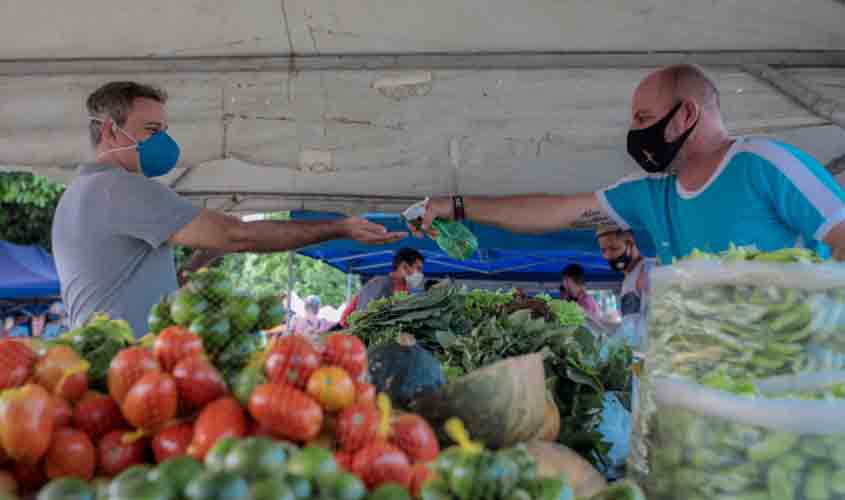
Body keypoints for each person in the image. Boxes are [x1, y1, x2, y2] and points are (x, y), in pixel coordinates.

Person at [53, 82, 406, 338]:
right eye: (151, 130)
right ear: (110, 132)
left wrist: (193, 268)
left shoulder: (81, 192)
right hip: (125, 368)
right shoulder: (123, 189)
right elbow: (238, 235)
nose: (162, 141)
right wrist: (339, 227)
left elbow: (130, 272)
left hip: (103, 358)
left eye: (164, 130)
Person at [413, 64, 845, 263]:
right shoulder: (649, 195)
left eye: (644, 119)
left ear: (687, 115)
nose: (635, 134)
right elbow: (554, 211)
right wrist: (459, 206)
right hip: (706, 402)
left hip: (789, 401)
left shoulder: (763, 164)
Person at [596, 223, 656, 347]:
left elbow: (653, 324)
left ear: (631, 243)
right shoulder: (628, 279)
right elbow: (630, 323)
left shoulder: (649, 270)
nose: (608, 256)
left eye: (614, 248)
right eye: (603, 250)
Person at [338, 248, 425, 327]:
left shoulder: (406, 290)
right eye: (418, 268)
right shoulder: (379, 283)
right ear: (404, 266)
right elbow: (350, 319)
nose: (420, 274)